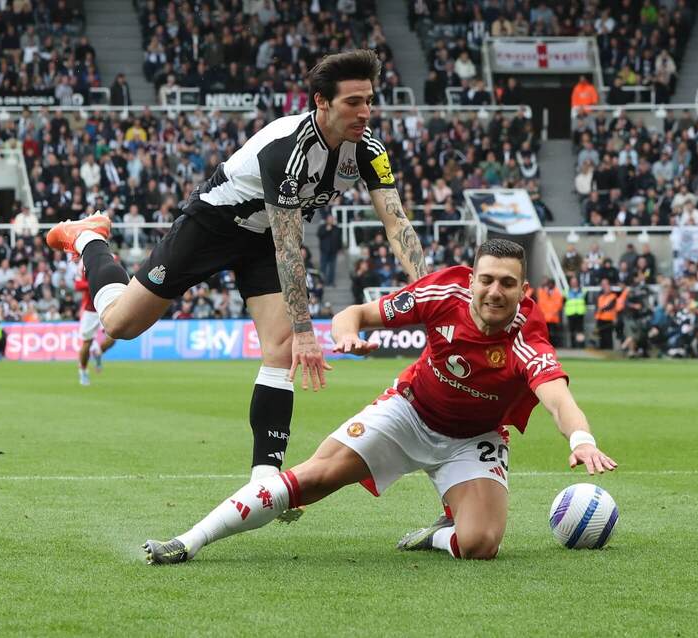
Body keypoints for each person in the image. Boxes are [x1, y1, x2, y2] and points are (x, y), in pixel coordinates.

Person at [45, 50, 427, 497]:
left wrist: (432, 293)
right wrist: (306, 331)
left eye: (370, 100)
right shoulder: (289, 149)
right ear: (322, 102)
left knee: (279, 348)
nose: (365, 112)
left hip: (263, 240)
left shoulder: (369, 151)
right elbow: (290, 247)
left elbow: (396, 224)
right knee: (119, 325)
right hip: (214, 225)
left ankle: (264, 482)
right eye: (353, 102)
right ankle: (89, 238)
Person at [143, 239, 617, 564]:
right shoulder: (440, 292)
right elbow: (355, 313)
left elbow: (557, 398)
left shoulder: (527, 339)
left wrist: (581, 438)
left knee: (481, 545)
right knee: (315, 477)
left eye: (507, 284)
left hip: (474, 439)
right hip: (409, 412)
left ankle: (436, 535)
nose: (495, 291)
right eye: (487, 280)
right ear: (472, 279)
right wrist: (347, 336)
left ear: (523, 291)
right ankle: (189, 540)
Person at [75, 262, 115, 386]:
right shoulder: (83, 264)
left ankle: (98, 352)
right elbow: (78, 285)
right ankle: (83, 370)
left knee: (113, 337)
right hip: (90, 310)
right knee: (87, 343)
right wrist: (95, 284)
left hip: (106, 306)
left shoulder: (112, 259)